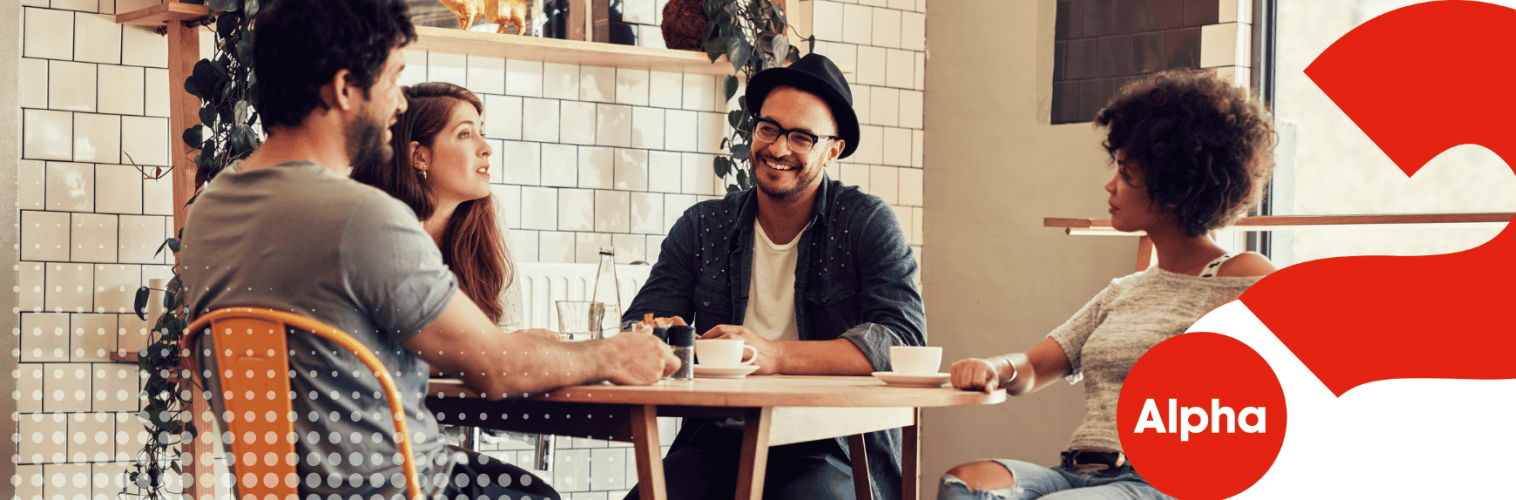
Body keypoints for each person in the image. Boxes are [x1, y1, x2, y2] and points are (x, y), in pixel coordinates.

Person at [179, 1, 679, 499]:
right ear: (345, 88)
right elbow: (497, 368)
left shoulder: (207, 212)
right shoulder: (363, 218)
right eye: (393, 79)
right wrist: (611, 352)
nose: (399, 104)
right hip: (406, 488)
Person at [936, 71, 1278, 500]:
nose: (1109, 185)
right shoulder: (1123, 291)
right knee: (963, 484)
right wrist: (995, 368)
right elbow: (1033, 368)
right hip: (1077, 471)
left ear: (1173, 187)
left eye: (1125, 173)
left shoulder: (1243, 276)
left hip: (1163, 480)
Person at [620, 53, 926, 500]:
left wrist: (776, 356)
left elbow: (902, 340)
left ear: (832, 150)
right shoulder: (703, 226)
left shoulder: (865, 222)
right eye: (769, 128)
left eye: (802, 137)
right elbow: (640, 326)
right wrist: (664, 333)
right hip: (717, 439)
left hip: (831, 443)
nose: (779, 148)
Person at [352, 82, 521, 332]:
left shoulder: (489, 214)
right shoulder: (372, 220)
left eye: (481, 134)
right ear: (420, 156)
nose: (486, 149)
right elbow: (375, 345)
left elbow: (508, 327)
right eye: (465, 134)